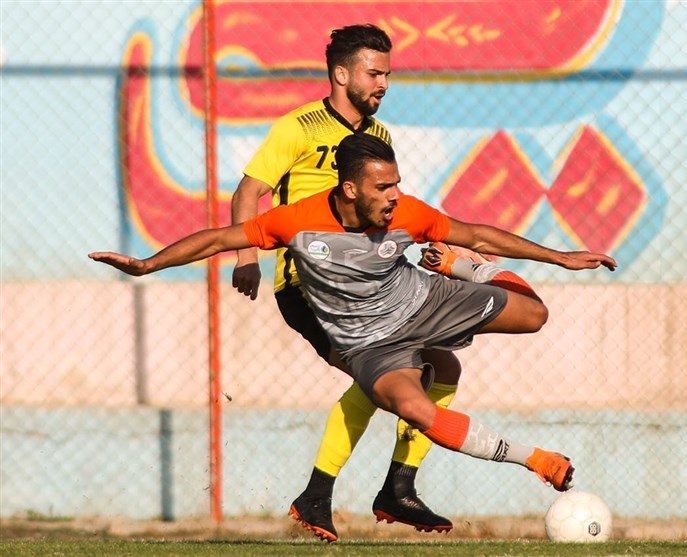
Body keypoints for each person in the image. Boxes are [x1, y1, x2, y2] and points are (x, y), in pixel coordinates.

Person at [89, 134, 618, 540]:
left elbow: (476, 233)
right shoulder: (296, 222)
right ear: (349, 189)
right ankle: (535, 459)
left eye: (396, 184)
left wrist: (561, 257)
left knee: (534, 314)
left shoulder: (407, 214)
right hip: (370, 345)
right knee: (415, 409)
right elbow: (217, 239)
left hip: (425, 301)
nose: (394, 196)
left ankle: (462, 271)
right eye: (383, 188)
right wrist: (147, 264)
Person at [229, 23, 462, 540]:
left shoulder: (378, 139)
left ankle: (395, 487)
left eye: (387, 74)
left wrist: (424, 247)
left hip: (369, 286)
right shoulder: (298, 127)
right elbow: (247, 194)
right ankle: (327, 495)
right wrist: (247, 256)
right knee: (386, 378)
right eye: (374, 73)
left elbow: (386, 213)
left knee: (442, 365)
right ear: (341, 74)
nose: (384, 84)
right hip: (312, 288)